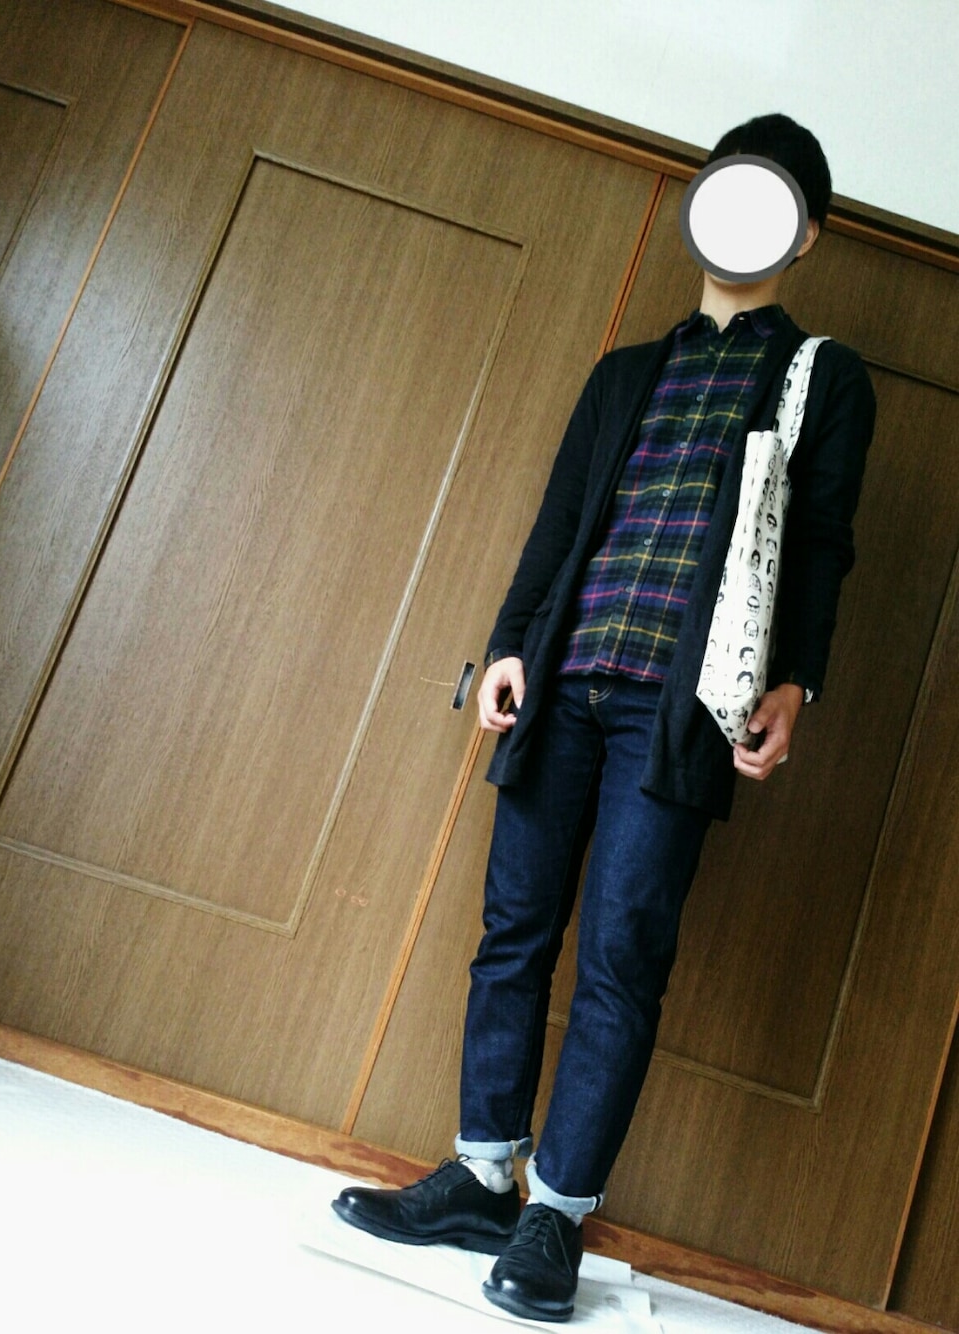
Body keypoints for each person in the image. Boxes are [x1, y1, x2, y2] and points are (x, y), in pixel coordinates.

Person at [332, 113, 876, 1323]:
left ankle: (555, 1215)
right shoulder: (625, 370)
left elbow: (820, 546)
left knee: (623, 953)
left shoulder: (822, 377)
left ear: (805, 235)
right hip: (563, 681)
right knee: (512, 929)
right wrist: (507, 646)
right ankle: (482, 1175)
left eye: (775, 200)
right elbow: (557, 520)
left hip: (677, 712)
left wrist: (797, 683)